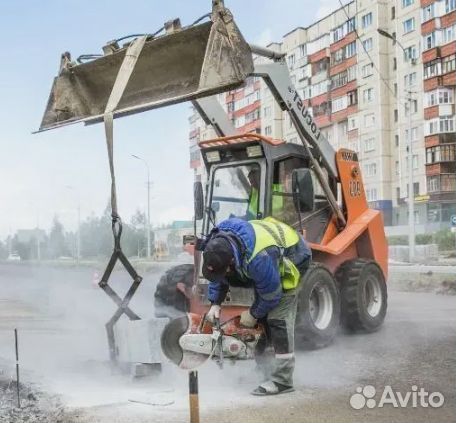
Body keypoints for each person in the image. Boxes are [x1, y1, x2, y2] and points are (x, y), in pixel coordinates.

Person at [202, 216, 311, 396]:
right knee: (262, 318)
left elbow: (271, 295)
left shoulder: (258, 259)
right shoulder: (215, 244)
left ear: (230, 262)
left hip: (294, 256)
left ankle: (282, 380)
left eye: (225, 270)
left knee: (277, 319)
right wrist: (215, 303)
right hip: (267, 257)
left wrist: (252, 313)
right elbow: (218, 276)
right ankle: (265, 370)